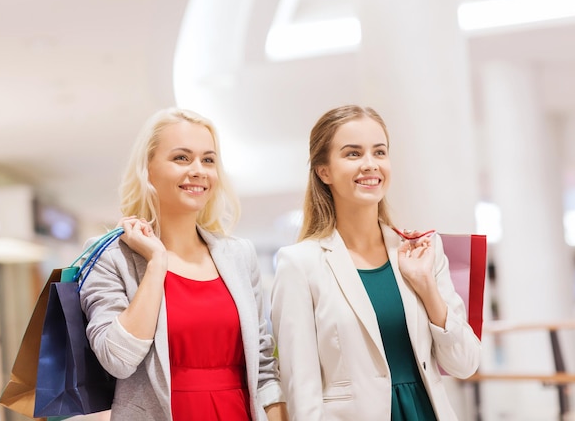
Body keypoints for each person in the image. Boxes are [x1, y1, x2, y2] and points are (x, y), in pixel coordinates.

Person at [270, 105, 481, 420]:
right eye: (353, 154)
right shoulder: (299, 264)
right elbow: (301, 387)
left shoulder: (424, 250)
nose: (370, 165)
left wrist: (426, 287)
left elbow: (464, 363)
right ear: (323, 170)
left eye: (379, 152)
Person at [79, 108, 287, 421]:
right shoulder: (110, 258)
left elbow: (264, 368)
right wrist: (157, 263)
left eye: (208, 159)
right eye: (181, 158)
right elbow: (117, 358)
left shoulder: (239, 255)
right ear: (148, 169)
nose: (198, 170)